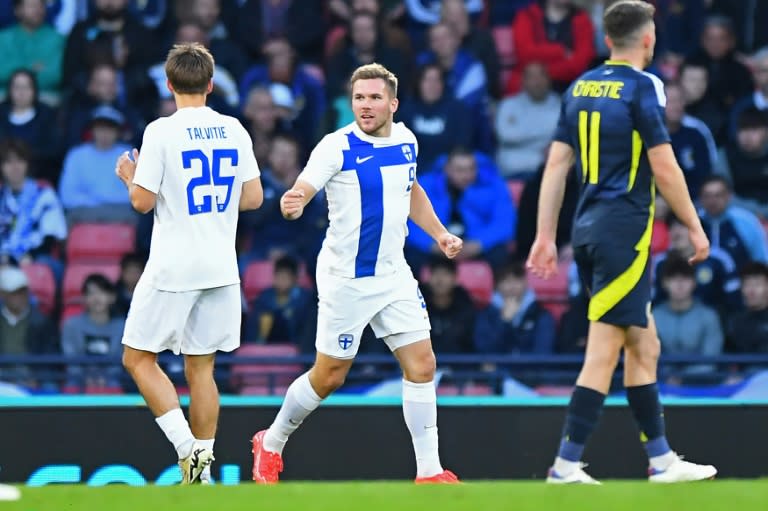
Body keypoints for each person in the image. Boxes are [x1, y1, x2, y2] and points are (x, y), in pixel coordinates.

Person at [526, 1, 717, 484]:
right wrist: (695, 226)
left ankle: (661, 460)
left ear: (607, 39)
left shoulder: (579, 86)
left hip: (587, 231)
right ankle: (566, 464)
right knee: (604, 350)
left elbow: (555, 166)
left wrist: (547, 236)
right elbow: (665, 165)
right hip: (624, 234)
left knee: (644, 344)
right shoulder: (642, 87)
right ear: (647, 40)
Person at [251, 63, 462, 485]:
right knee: (330, 375)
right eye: (359, 98)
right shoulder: (336, 146)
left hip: (393, 273)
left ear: (393, 104)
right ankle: (270, 442)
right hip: (346, 278)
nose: (365, 106)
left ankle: (430, 472)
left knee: (422, 365)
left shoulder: (406, 140)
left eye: (374, 98)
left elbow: (411, 189)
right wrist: (295, 199)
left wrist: (439, 233)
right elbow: (305, 186)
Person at [114, 42, 264, 485]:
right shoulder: (234, 128)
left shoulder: (161, 131)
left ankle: (187, 451)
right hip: (221, 265)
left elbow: (142, 202)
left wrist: (128, 177)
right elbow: (254, 197)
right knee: (202, 369)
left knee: (137, 358)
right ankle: (200, 471)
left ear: (169, 84)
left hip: (174, 265)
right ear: (211, 84)